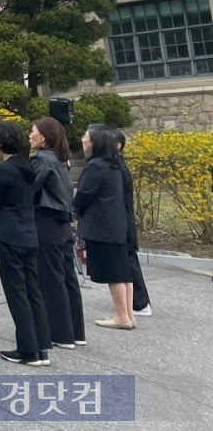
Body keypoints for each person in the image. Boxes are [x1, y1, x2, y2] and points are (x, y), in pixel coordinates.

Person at [0, 121, 52, 365]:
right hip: (29, 233)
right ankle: (42, 347)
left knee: (17, 292)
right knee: (33, 290)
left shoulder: (3, 170)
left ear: (0, 142)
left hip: (8, 234)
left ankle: (27, 350)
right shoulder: (27, 166)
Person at [29, 117, 86, 348]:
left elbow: (30, 189)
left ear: (44, 136)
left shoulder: (41, 160)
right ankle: (76, 331)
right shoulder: (61, 161)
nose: (30, 135)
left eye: (33, 131)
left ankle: (61, 333)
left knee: (51, 277)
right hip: (62, 223)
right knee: (67, 276)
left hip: (46, 220)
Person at [75, 125, 135, 331]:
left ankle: (121, 316)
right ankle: (128, 314)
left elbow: (83, 196)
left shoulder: (96, 166)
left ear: (95, 143)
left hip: (102, 226)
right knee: (123, 271)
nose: (82, 140)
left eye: (86, 137)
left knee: (113, 273)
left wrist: (73, 211)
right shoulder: (115, 165)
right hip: (117, 224)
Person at [114, 129, 152, 317]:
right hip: (123, 218)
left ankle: (140, 302)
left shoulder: (117, 166)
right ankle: (135, 302)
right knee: (127, 260)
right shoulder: (117, 165)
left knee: (128, 260)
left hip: (122, 219)